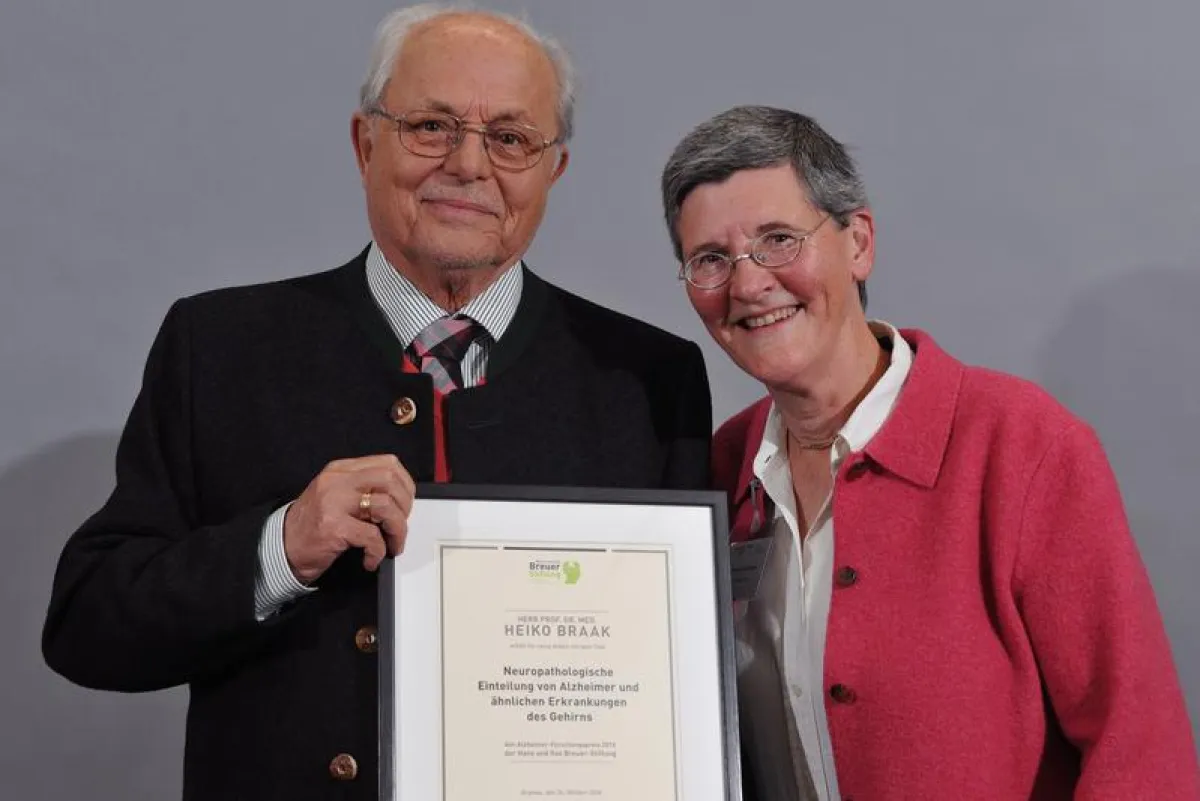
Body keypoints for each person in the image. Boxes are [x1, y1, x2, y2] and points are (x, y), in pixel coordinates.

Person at [40, 6, 712, 799]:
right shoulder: (221, 346)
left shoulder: (648, 379)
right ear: (365, 143)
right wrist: (279, 547)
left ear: (552, 169)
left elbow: (679, 678)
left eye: (510, 138)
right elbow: (87, 629)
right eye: (431, 125)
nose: (469, 165)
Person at [660, 104, 1199, 800]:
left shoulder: (1022, 446)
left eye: (778, 240)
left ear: (859, 242)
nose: (748, 283)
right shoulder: (722, 467)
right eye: (710, 259)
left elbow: (1141, 753)